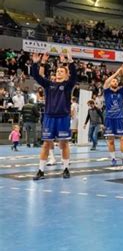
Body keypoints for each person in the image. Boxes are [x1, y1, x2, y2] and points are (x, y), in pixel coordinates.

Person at [31, 50, 77, 180]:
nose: (59, 72)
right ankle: (40, 170)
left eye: (62, 71)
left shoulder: (68, 85)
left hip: (63, 117)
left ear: (66, 74)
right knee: (46, 144)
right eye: (57, 71)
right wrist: (37, 63)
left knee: (64, 144)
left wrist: (70, 62)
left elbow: (74, 76)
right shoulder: (48, 84)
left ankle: (66, 168)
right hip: (49, 117)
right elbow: (36, 76)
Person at [103, 64, 123, 166]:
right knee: (111, 141)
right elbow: (106, 82)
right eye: (113, 81)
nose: (114, 82)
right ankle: (113, 159)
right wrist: (116, 73)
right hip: (109, 119)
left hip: (119, 119)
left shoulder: (121, 91)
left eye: (116, 81)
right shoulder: (106, 92)